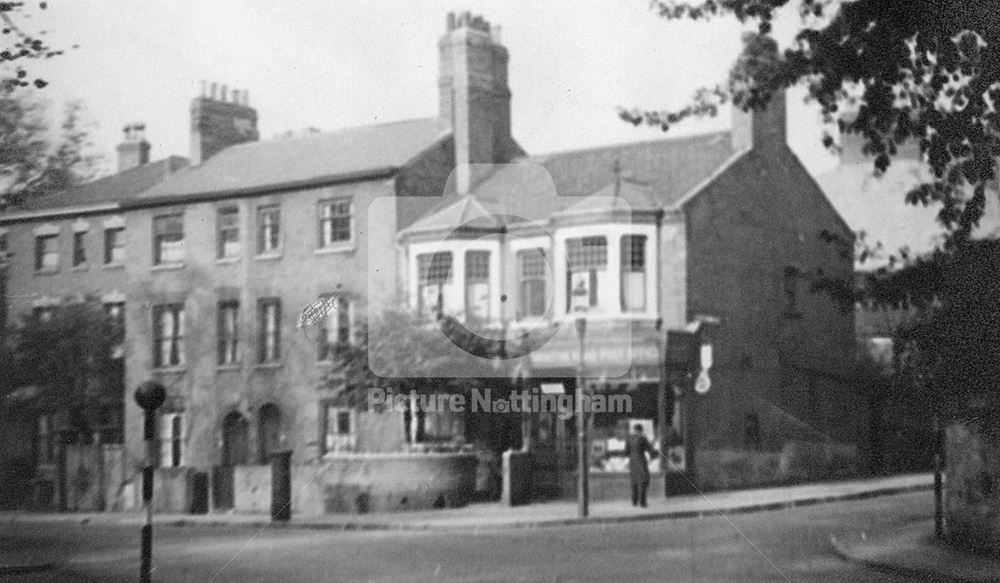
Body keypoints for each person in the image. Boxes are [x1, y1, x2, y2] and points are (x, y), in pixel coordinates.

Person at [624, 423, 655, 507]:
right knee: (643, 481)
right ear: (641, 430)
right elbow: (650, 449)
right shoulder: (642, 438)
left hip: (632, 462)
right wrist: (651, 456)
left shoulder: (629, 438)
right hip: (641, 461)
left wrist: (627, 462)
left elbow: (626, 452)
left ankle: (634, 502)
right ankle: (642, 502)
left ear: (634, 430)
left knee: (634, 482)